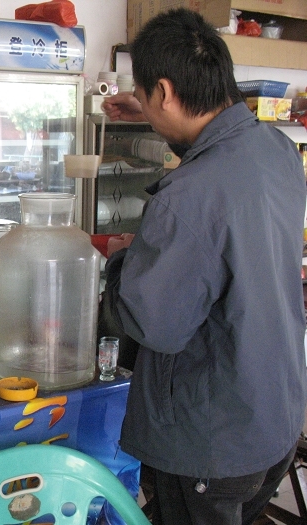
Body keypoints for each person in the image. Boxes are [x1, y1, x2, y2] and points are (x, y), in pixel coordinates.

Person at [101, 8, 307, 525]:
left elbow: (154, 324)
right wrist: (148, 111)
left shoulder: (186, 197)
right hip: (275, 417)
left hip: (211, 440)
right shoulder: (277, 149)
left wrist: (128, 257)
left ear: (165, 91)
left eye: (146, 95)